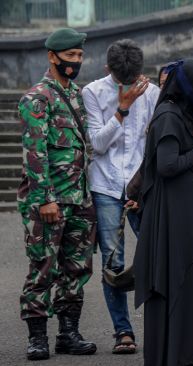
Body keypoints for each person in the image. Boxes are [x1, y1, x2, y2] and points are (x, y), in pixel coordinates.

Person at [17, 28, 97, 361]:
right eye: (70, 56)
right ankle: (37, 338)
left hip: (79, 198)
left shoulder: (77, 94)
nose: (75, 62)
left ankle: (68, 334)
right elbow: (35, 153)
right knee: (43, 268)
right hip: (48, 201)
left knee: (76, 268)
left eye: (79, 56)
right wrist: (46, 198)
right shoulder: (37, 97)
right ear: (53, 57)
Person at [134, 58, 193, 366]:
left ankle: (184, 353)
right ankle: (173, 355)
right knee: (177, 278)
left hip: (183, 208)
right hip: (172, 213)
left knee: (188, 278)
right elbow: (168, 166)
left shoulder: (181, 113)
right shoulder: (169, 116)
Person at [82, 39, 159, 354]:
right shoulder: (93, 92)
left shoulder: (152, 93)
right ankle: (123, 332)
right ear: (107, 70)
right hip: (107, 185)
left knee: (158, 251)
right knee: (113, 263)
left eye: (132, 80)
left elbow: (152, 142)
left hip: (142, 185)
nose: (127, 85)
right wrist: (122, 108)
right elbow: (98, 144)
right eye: (120, 81)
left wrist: (139, 186)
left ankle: (161, 327)